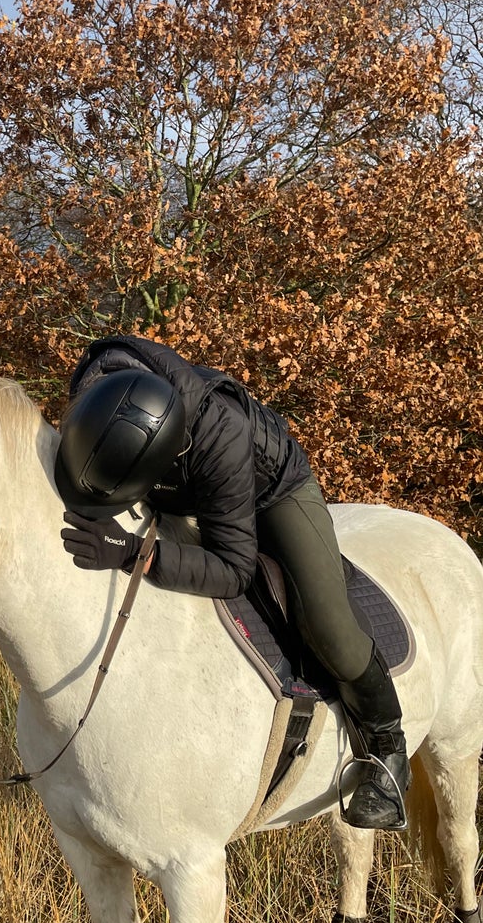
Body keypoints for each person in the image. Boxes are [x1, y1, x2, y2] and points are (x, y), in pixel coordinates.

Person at [54, 333, 410, 831]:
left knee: (328, 626)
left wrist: (134, 553)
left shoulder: (219, 428)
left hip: (272, 491)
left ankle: (388, 751)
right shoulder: (98, 392)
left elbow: (235, 568)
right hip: (183, 487)